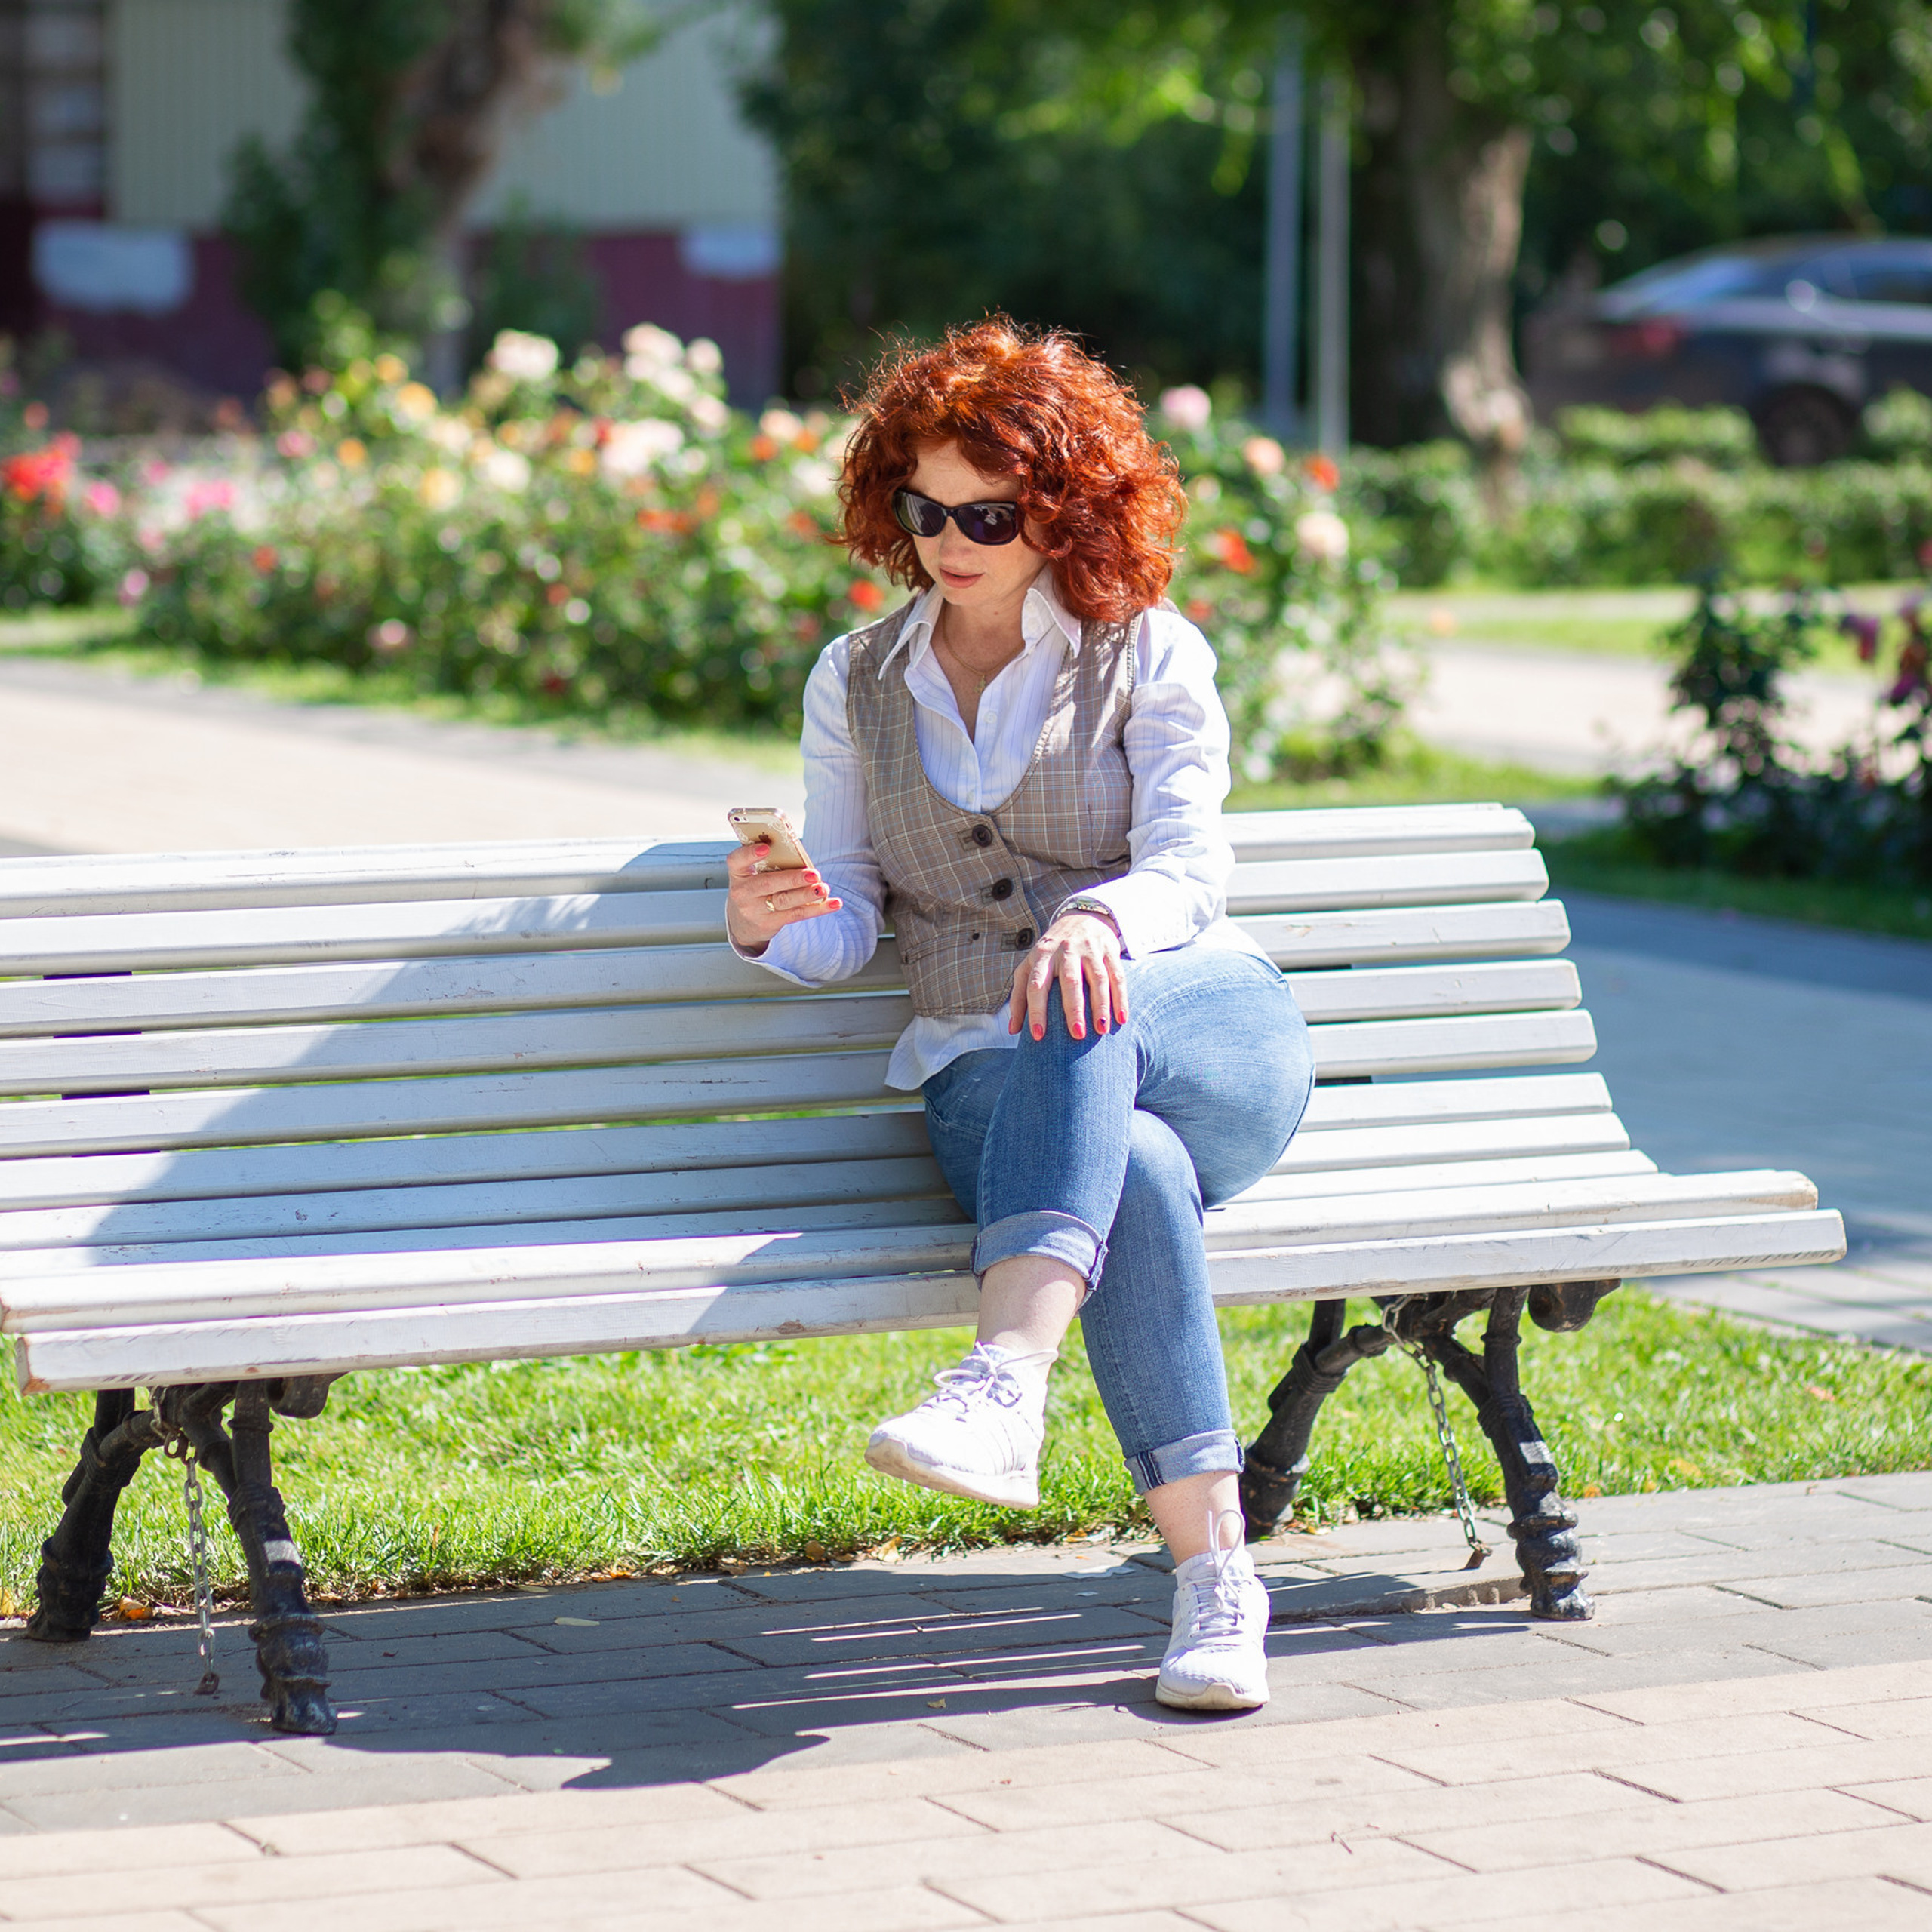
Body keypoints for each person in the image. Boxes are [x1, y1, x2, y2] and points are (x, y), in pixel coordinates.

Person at [724, 319, 1315, 1711]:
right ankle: (1217, 1581)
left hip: (1203, 1025)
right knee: (1139, 1172)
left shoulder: (1147, 651)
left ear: (1061, 506)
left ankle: (1005, 1373)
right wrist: (772, 925)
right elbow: (855, 911)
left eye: (988, 511)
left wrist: (1095, 919)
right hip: (988, 1078)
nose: (949, 539)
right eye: (924, 509)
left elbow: (1188, 865)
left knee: (1085, 989)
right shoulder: (855, 680)